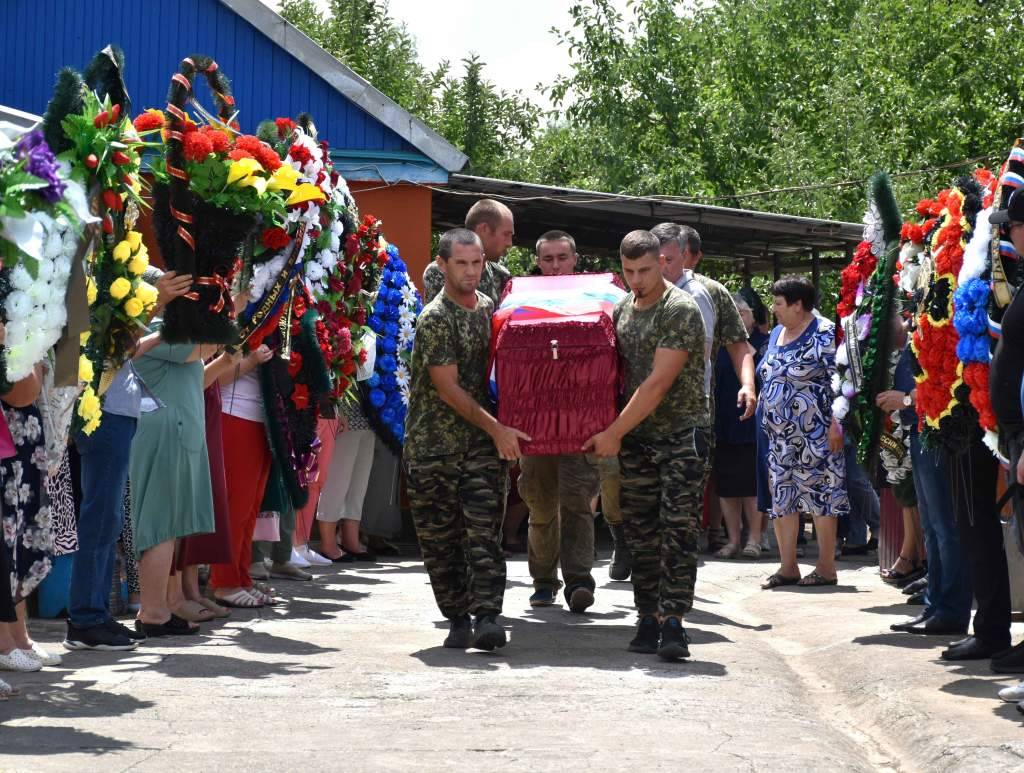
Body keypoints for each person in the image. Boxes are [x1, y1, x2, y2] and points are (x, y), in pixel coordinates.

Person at [583, 230, 709, 662]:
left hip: (680, 436)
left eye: (645, 270)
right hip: (637, 440)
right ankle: (647, 617)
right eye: (629, 270)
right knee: (640, 532)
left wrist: (613, 432)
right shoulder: (622, 311)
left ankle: (673, 620)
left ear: (663, 263)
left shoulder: (681, 310)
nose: (637, 279)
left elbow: (657, 383)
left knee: (677, 530)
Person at [406, 228, 528, 651]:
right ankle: (457, 617)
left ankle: (489, 615)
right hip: (434, 445)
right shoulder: (435, 318)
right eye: (462, 263)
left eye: (477, 263)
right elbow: (448, 387)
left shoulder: (489, 308)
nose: (472, 271)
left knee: (483, 535)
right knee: (441, 541)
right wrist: (497, 429)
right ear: (442, 266)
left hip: (479, 447)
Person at [64, 270, 193, 652]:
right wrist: (157, 303)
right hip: (101, 407)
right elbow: (103, 348)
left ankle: (95, 615)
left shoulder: (104, 270)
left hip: (118, 406)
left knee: (107, 517)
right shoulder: (88, 278)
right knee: (102, 515)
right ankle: (86, 619)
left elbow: (121, 348)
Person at [650, 223, 754, 553]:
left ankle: (679, 569)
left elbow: (738, 346)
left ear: (686, 256)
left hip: (693, 415)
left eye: (669, 258)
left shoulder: (710, 292)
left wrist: (748, 385)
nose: (663, 265)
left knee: (683, 500)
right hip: (643, 414)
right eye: (658, 258)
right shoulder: (637, 294)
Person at [517, 231, 601, 612]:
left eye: (562, 258)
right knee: (541, 505)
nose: (555, 266)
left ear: (575, 259)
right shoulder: (521, 297)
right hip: (533, 422)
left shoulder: (597, 298)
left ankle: (579, 581)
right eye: (547, 258)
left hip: (582, 421)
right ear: (538, 260)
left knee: (578, 502)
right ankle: (543, 580)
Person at [128, 325, 220, 637]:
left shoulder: (172, 328)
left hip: (176, 430)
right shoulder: (157, 326)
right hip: (163, 431)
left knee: (168, 525)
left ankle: (157, 608)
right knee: (159, 526)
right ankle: (153, 612)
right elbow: (204, 347)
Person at [759, 275, 848, 590]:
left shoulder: (825, 333)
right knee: (783, 498)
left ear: (798, 305)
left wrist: (838, 424)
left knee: (822, 497)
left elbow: (842, 382)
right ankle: (788, 567)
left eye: (779, 304)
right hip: (780, 437)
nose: (774, 309)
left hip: (818, 434)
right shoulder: (777, 333)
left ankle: (826, 567)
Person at [712, 295, 764, 559]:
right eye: (733, 314)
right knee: (727, 486)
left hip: (751, 424)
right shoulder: (719, 346)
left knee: (751, 486)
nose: (738, 319)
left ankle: (754, 539)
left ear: (752, 317)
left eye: (742, 313)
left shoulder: (762, 344)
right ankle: (733, 539)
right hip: (723, 423)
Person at [423, 199, 514, 306]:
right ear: (484, 229)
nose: (510, 243)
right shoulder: (440, 272)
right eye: (506, 234)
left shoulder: (502, 276)